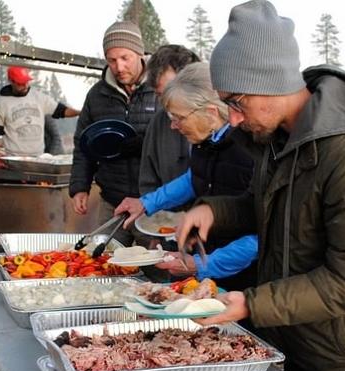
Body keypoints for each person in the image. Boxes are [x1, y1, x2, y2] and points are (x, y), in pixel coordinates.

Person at [176, 0, 345, 371]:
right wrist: (212, 212)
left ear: (270, 82)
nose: (232, 118)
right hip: (291, 329)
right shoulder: (277, 139)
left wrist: (253, 304)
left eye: (236, 102)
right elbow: (267, 207)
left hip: (342, 348)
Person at [114, 63, 257, 290]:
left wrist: (200, 265)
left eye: (179, 117)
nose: (172, 126)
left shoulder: (248, 152)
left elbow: (260, 238)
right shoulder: (205, 142)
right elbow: (194, 179)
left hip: (243, 284)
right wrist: (146, 203)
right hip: (207, 268)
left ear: (210, 113)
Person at [69, 20, 158, 245]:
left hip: (153, 203)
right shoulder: (97, 95)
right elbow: (82, 143)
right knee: (108, 264)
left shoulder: (160, 89)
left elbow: (179, 139)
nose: (118, 67)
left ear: (139, 53)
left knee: (158, 267)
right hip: (112, 201)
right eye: (111, 60)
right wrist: (80, 186)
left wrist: (144, 144)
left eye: (124, 58)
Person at [139, 45, 200, 196]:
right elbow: (148, 182)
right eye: (161, 95)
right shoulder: (158, 123)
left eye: (171, 92)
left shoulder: (223, 121)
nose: (167, 103)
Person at [0, 66, 79, 157]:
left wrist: (81, 112)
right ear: (11, 81)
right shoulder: (2, 103)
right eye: (20, 83)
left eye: (26, 82)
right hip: (14, 159)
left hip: (38, 157)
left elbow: (62, 111)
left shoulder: (39, 97)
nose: (25, 86)